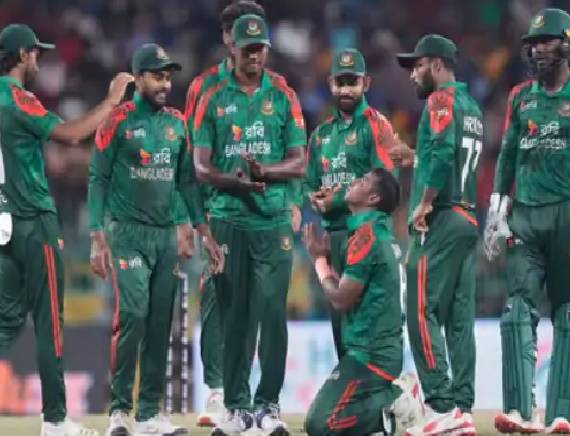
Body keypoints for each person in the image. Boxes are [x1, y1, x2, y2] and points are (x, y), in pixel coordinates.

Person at [0, 23, 133, 436]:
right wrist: (112, 102)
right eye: (35, 52)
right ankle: (55, 420)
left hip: (5, 222)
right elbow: (71, 135)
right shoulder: (17, 99)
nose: (39, 58)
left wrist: (1, 213)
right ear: (22, 55)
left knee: (6, 318)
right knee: (49, 322)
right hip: (34, 222)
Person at [484, 8, 570, 435]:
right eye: (532, 43)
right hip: (525, 216)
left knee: (569, 313)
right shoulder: (520, 97)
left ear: (568, 46)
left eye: (545, 42)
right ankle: (518, 411)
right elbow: (507, 156)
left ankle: (562, 416)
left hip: (568, 216)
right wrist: (496, 211)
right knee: (515, 313)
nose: (536, 50)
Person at [87, 43, 223, 436]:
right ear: (138, 78)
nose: (165, 84)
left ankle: (148, 414)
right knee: (134, 314)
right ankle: (118, 411)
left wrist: (199, 229)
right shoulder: (117, 121)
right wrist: (97, 236)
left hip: (165, 238)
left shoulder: (177, 124)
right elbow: (98, 178)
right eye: (156, 76)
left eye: (168, 77)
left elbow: (185, 182)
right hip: (127, 234)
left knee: (161, 323)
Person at [192, 14, 306, 436]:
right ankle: (237, 408)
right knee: (235, 316)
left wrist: (265, 173)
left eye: (261, 49)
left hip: (272, 219)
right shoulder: (212, 96)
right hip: (228, 219)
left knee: (273, 313)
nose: (255, 56)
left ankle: (268, 406)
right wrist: (233, 182)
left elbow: (300, 161)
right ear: (232, 48)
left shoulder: (283, 95)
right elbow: (200, 167)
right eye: (248, 49)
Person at [394, 34, 482, 436]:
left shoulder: (439, 101)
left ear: (437, 65)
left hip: (441, 218)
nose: (413, 74)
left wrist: (424, 203)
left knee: (420, 308)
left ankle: (441, 405)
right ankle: (462, 407)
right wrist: (416, 157)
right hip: (467, 218)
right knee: (460, 318)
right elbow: (450, 153)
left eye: (417, 65)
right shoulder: (471, 106)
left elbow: (445, 155)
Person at [302, 169, 424, 436]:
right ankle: (383, 416)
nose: (355, 181)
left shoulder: (367, 236)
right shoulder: (376, 233)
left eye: (363, 181)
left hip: (370, 356)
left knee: (320, 424)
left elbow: (341, 299)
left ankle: (395, 398)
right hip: (376, 351)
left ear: (373, 198)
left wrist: (318, 260)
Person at [304, 47, 403, 360]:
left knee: (368, 329)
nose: (346, 89)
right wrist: (315, 199)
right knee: (342, 332)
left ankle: (385, 384)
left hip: (366, 236)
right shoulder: (320, 136)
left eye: (353, 82)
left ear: (366, 83)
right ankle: (358, 385)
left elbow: (386, 184)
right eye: (340, 82)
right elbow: (308, 182)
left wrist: (336, 198)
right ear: (330, 84)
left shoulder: (377, 126)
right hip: (334, 238)